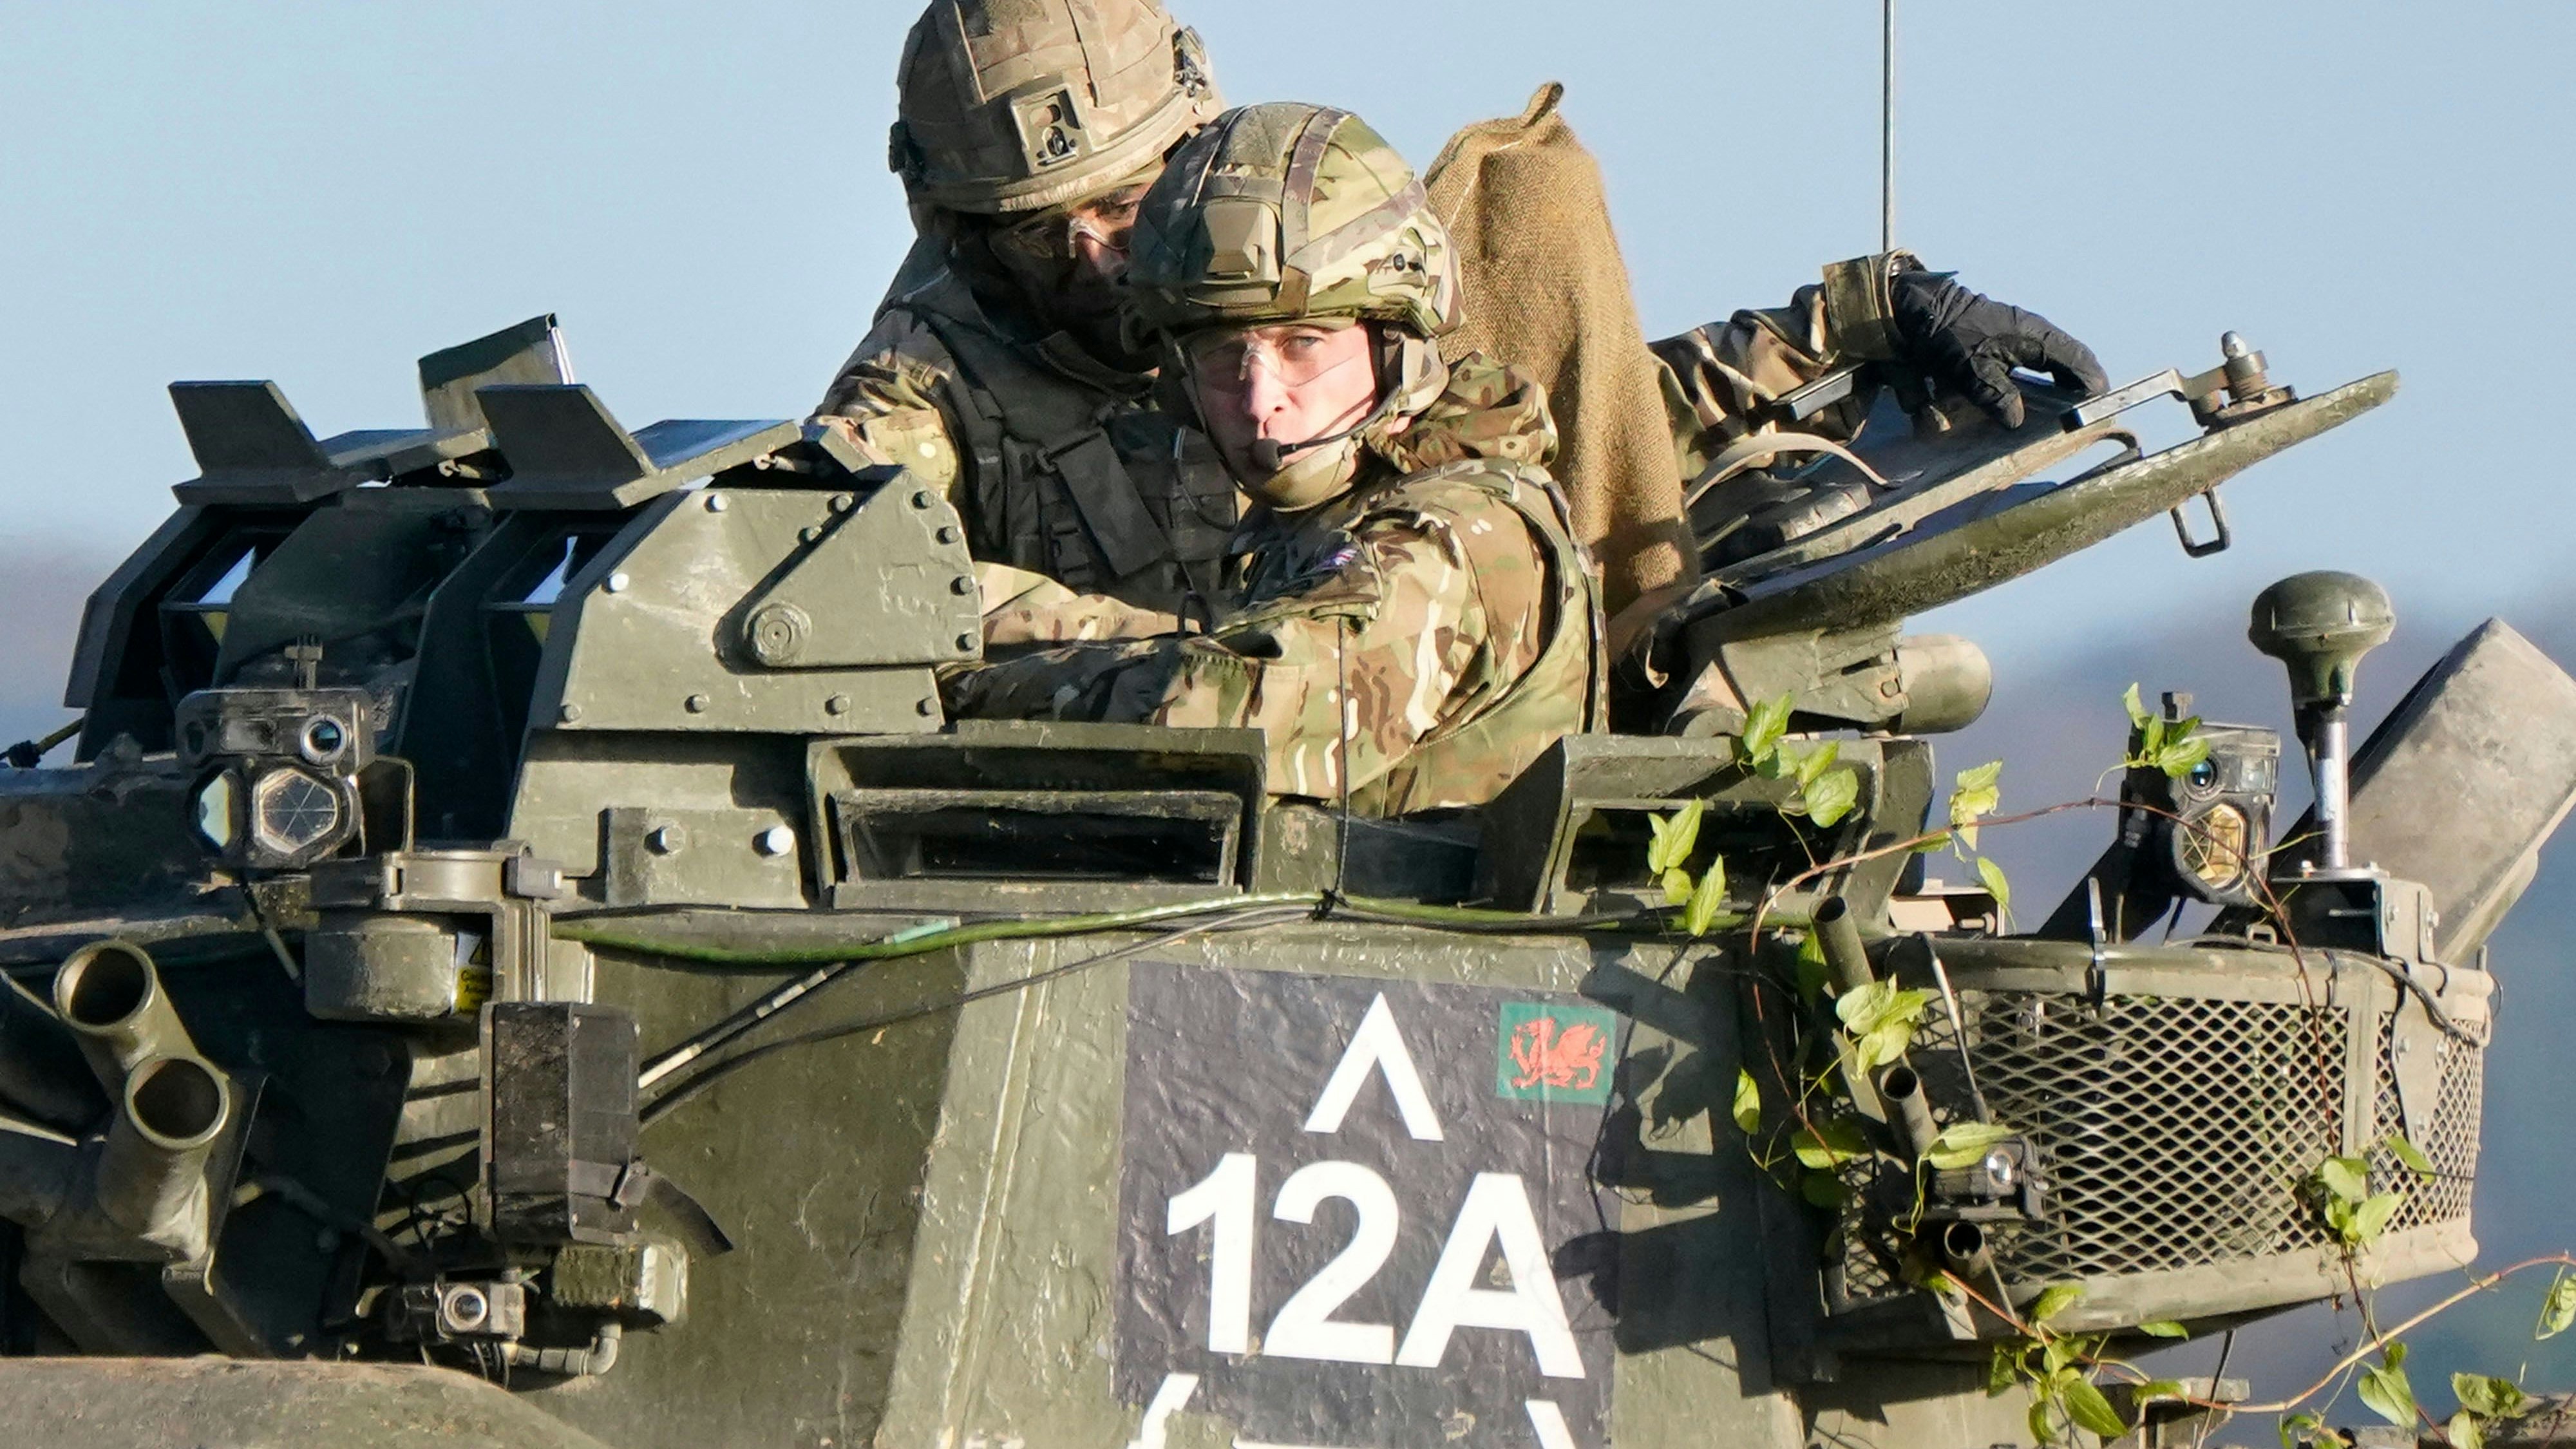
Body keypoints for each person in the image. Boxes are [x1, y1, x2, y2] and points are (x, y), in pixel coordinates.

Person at [943, 102, 1600, 817]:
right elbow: (1210, 653)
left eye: (1303, 345)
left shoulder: (1454, 532)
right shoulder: (1327, 515)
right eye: (1224, 358)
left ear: (1396, 337)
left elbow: (1237, 712)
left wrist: (966, 680)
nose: (1260, 401)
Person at [818, 0, 1236, 627]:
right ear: (976, 240)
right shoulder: (921, 385)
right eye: (1041, 237)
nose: (1098, 265)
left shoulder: (1322, 263)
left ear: (1194, 160)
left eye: (1124, 209)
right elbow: (857, 591)